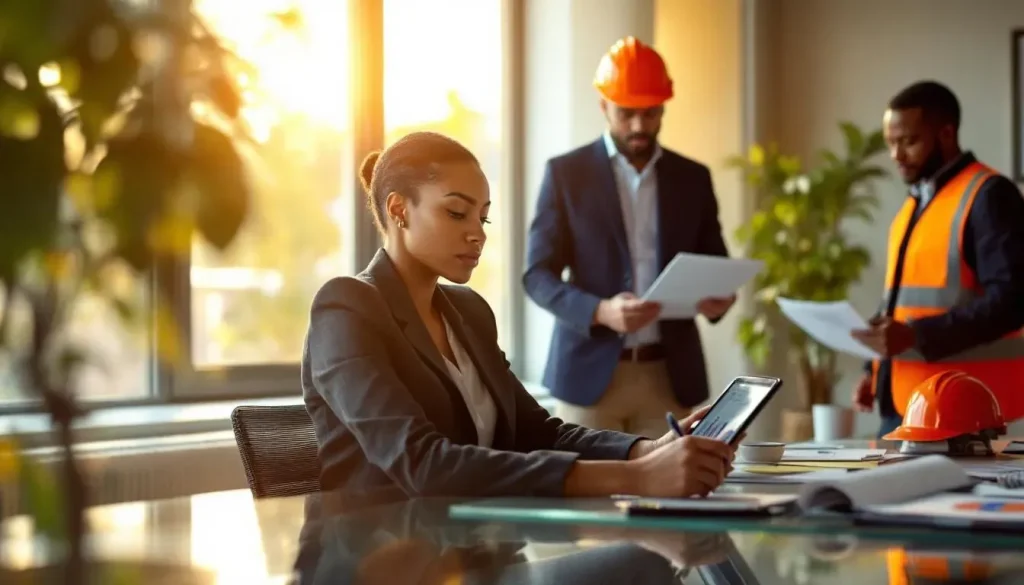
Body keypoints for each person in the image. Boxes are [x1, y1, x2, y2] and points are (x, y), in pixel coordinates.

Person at [302, 131, 737, 500]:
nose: (477, 234)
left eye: (483, 218)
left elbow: (539, 432)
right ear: (398, 210)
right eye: (456, 212)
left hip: (474, 553)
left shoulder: (468, 312)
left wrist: (647, 449)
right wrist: (637, 478)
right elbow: (423, 464)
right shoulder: (346, 308)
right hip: (376, 562)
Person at [523, 36, 735, 436]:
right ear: (604, 106)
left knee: (672, 493)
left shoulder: (693, 179)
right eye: (627, 114)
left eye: (651, 113)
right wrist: (600, 311)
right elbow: (536, 275)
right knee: (585, 495)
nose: (639, 126)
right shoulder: (566, 175)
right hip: (588, 378)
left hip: (669, 378)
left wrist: (719, 299)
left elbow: (716, 263)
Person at [851, 80, 1024, 438]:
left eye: (908, 142)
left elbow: (1013, 301)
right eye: (890, 143)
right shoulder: (914, 205)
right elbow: (901, 305)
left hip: (967, 418)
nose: (896, 155)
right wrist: (875, 372)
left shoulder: (990, 196)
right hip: (907, 409)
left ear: (946, 133)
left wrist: (915, 336)